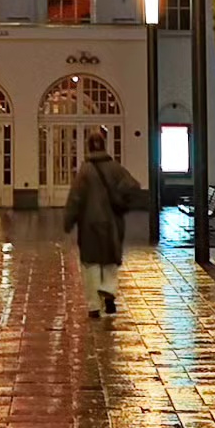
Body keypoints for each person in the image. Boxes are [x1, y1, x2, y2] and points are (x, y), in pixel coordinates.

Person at [64, 126, 139, 317]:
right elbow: (133, 186)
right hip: (112, 222)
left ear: (89, 147)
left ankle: (93, 306)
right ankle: (109, 291)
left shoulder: (85, 171)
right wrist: (123, 202)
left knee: (91, 263)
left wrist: (69, 219)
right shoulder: (115, 168)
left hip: (89, 224)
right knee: (110, 261)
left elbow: (75, 198)